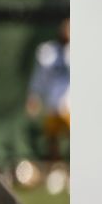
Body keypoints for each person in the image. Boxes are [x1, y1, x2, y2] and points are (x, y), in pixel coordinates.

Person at [25, 18, 70, 193]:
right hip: (53, 104)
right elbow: (40, 78)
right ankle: (56, 172)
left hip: (70, 104)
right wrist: (34, 97)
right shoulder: (48, 53)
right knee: (53, 141)